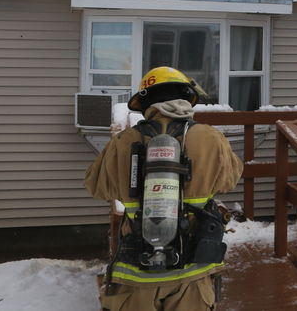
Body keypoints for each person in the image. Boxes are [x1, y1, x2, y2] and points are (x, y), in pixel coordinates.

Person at [86, 67, 243, 311]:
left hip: (136, 273)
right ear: (186, 96)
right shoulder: (210, 137)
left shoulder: (123, 141)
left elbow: (96, 186)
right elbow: (229, 180)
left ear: (145, 103)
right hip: (192, 272)